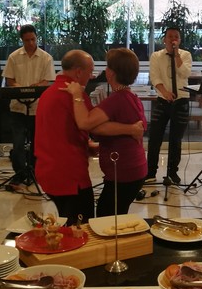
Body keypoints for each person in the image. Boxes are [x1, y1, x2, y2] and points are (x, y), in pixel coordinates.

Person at [34, 50, 144, 225]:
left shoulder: (48, 92)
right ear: (78, 72)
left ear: (112, 73)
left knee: (92, 220)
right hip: (70, 176)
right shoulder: (75, 95)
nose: (92, 75)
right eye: (90, 71)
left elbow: (62, 130)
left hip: (48, 171)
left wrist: (86, 144)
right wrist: (130, 129)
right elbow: (88, 124)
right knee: (84, 226)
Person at [64, 48, 148, 216]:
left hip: (124, 173)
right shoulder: (130, 96)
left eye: (107, 67)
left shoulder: (117, 99)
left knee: (107, 218)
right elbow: (99, 127)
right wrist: (129, 129)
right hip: (133, 170)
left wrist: (77, 95)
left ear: (111, 73)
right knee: (114, 214)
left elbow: (84, 122)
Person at [2, 24, 55, 185]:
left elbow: (48, 80)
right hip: (17, 108)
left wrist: (36, 86)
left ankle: (35, 172)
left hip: (38, 107)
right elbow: (9, 79)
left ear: (36, 38)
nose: (31, 43)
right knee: (18, 143)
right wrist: (20, 88)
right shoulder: (14, 57)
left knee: (37, 144)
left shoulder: (46, 58)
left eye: (33, 39)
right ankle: (20, 173)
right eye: (27, 40)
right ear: (22, 40)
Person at [146, 27, 192, 185]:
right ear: (164, 39)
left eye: (176, 37)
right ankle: (150, 172)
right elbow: (154, 77)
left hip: (181, 100)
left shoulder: (185, 55)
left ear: (179, 40)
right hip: (162, 99)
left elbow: (185, 74)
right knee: (155, 137)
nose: (173, 39)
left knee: (175, 139)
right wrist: (164, 92)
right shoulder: (156, 56)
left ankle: (172, 172)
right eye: (170, 36)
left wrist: (177, 55)